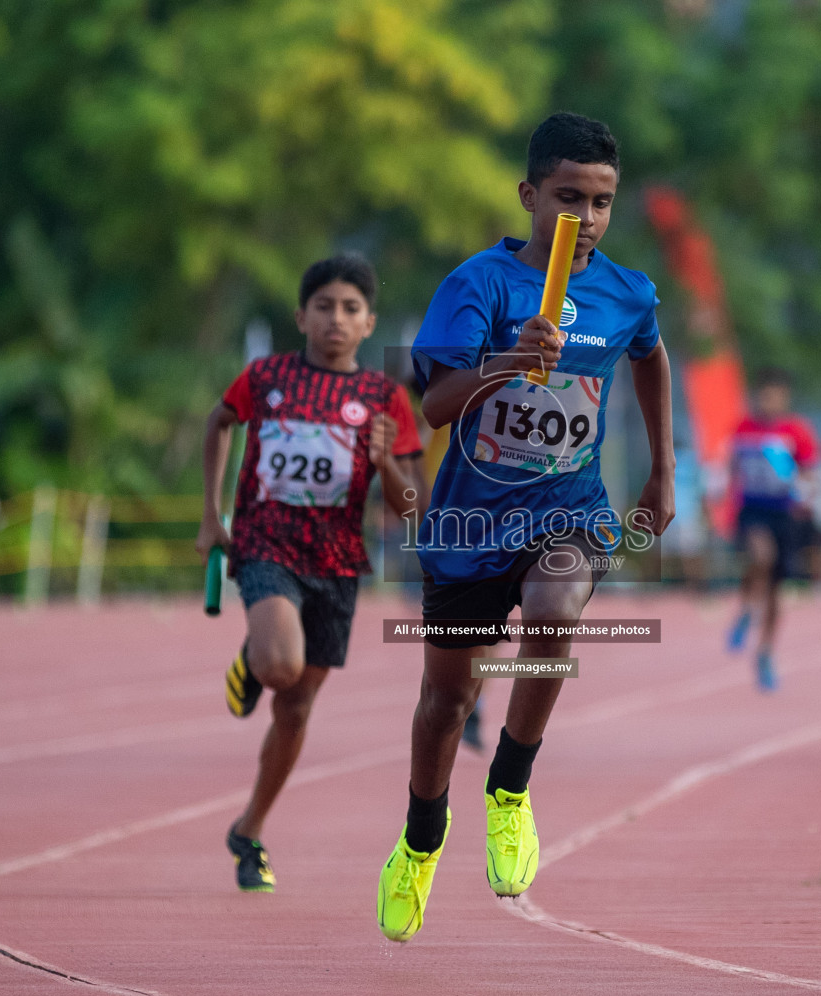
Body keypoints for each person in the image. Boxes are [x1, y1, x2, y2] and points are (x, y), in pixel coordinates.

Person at [374, 112, 675, 942]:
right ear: (529, 195)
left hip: (568, 510)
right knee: (444, 700)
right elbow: (432, 407)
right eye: (567, 198)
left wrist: (664, 469)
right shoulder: (480, 285)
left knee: (557, 605)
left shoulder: (625, 292)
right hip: (469, 528)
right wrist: (508, 363)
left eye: (602, 201)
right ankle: (421, 842)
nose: (585, 218)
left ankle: (509, 789)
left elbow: (650, 354)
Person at [195, 254, 423, 893]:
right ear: (302, 315)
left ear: (369, 322)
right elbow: (219, 423)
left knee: (294, 712)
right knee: (280, 666)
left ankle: (249, 830)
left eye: (351, 309)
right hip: (267, 545)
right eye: (324, 306)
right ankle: (253, 655)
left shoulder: (384, 399)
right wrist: (212, 516)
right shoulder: (266, 378)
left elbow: (415, 508)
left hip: (338, 562)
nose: (336, 319)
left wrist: (388, 465)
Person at [725, 368, 821, 691]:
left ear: (785, 397)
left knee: (777, 591)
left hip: (785, 515)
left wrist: (805, 494)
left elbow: (810, 472)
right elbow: (730, 468)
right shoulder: (743, 428)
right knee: (760, 556)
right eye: (764, 393)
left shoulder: (797, 431)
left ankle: (765, 652)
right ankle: (747, 609)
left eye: (776, 394)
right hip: (753, 509)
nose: (769, 400)